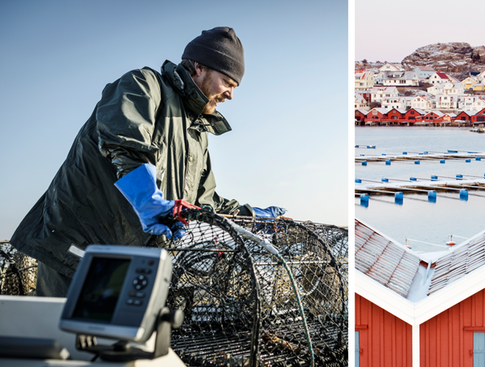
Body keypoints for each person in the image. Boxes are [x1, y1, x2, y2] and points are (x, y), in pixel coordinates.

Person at [10, 27, 284, 297]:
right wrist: (146, 199)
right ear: (199, 67)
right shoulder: (143, 85)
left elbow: (205, 204)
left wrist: (252, 216)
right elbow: (124, 144)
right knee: (66, 337)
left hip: (128, 262)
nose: (231, 95)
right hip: (78, 250)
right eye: (228, 82)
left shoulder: (197, 135)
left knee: (114, 340)